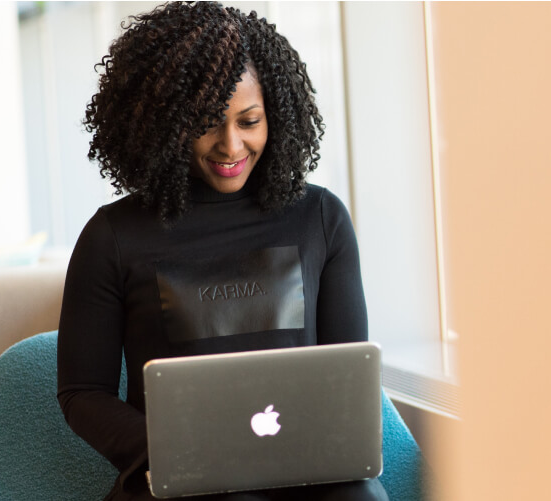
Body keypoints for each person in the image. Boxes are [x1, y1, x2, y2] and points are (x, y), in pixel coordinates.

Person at [56, 3, 388, 500]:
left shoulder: (321, 218)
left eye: (249, 121)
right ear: (166, 123)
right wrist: (179, 450)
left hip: (308, 470)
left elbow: (348, 377)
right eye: (207, 123)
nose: (231, 146)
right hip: (182, 477)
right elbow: (83, 394)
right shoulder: (112, 237)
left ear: (275, 115)